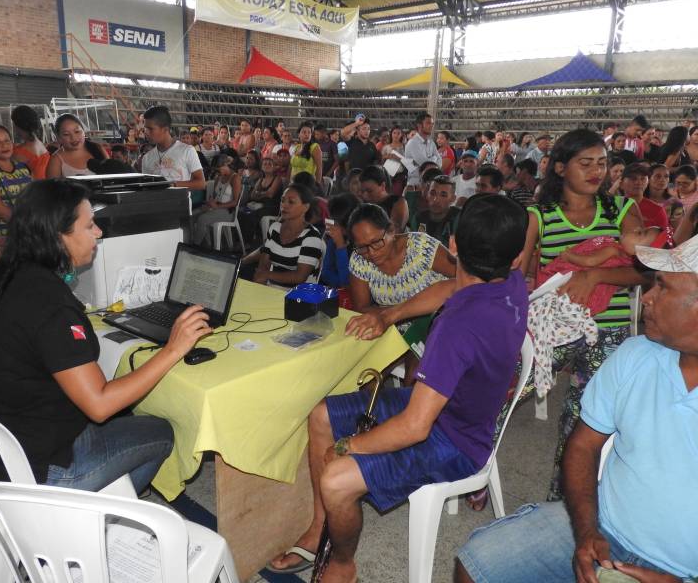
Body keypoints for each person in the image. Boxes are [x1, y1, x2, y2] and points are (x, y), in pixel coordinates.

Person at [268, 194, 529, 581]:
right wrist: (390, 314)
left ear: (453, 244)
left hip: (455, 441)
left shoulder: (457, 326)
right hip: (450, 411)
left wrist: (348, 447)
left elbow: (415, 428)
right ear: (515, 255)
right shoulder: (511, 282)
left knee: (336, 478)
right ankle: (318, 527)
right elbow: (450, 288)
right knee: (321, 413)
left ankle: (342, 564)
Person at [0, 179, 210, 493]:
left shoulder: (6, 273)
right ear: (57, 236)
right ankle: (91, 519)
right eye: (89, 226)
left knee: (125, 411)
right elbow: (99, 405)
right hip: (40, 469)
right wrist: (173, 348)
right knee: (161, 432)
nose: (99, 233)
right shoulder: (51, 305)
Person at [455, 236, 698, 583]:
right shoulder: (636, 355)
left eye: (664, 287)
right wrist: (586, 532)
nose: (647, 297)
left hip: (683, 572)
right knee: (476, 564)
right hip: (604, 527)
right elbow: (583, 445)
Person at [519, 129, 645, 500]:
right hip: (552, 326)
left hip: (606, 328)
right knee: (497, 388)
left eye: (602, 164)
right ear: (560, 167)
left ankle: (565, 497)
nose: (596, 172)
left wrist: (594, 275)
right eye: (585, 163)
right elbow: (522, 276)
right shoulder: (538, 215)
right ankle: (472, 461)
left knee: (585, 415)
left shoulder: (622, 210)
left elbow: (644, 271)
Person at [538, 226, 664, 316]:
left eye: (640, 234)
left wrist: (569, 256)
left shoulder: (613, 249)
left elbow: (590, 261)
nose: (635, 229)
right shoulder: (626, 263)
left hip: (572, 279)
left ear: (641, 253)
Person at [249, 184, 324, 286]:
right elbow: (264, 264)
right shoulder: (275, 228)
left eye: (291, 202)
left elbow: (300, 277)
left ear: (305, 207)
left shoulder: (312, 237)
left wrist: (267, 275)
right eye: (282, 200)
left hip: (298, 296)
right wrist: (258, 283)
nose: (284, 205)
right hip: (271, 287)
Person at [140, 106, 205, 192]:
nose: (146, 132)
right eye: (145, 128)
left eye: (150, 129)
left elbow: (201, 183)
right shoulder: (146, 158)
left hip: (180, 204)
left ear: (165, 129)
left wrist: (171, 185)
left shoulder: (187, 151)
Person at [191, 154, 242, 247]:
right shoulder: (218, 177)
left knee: (202, 219)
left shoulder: (235, 178)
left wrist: (217, 206)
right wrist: (209, 204)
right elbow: (215, 197)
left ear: (226, 165)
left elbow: (235, 202)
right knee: (192, 216)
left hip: (228, 212)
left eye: (219, 168)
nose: (218, 171)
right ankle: (207, 244)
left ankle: (195, 246)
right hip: (216, 208)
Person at [45, 114, 107, 178]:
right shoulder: (56, 160)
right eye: (66, 134)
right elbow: (51, 187)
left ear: (83, 131)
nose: (73, 138)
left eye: (77, 131)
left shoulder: (98, 148)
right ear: (58, 138)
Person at [320, 192, 361, 289]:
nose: (331, 224)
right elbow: (325, 273)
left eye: (334, 221)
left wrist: (340, 246)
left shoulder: (363, 246)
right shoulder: (333, 239)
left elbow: (347, 283)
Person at [619, 163, 669, 232]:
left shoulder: (657, 211)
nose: (638, 182)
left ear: (648, 182)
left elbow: (663, 239)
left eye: (643, 178)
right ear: (621, 184)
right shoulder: (612, 207)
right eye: (633, 178)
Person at [359, 165, 409, 232]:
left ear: (383, 186)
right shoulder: (363, 206)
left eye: (369, 191)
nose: (364, 195)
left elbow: (395, 230)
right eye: (362, 191)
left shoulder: (398, 202)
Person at [416, 175, 460, 248]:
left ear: (453, 199)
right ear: (427, 194)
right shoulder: (419, 218)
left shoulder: (459, 219)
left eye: (443, 195)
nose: (436, 200)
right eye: (432, 193)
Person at [11, 105, 50, 180]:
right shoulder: (41, 145)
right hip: (45, 187)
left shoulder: (17, 151)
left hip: (30, 189)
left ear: (17, 125)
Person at [403, 113, 441, 187]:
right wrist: (434, 158)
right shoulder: (412, 143)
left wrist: (432, 160)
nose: (431, 126)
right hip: (415, 184)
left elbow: (440, 160)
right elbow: (425, 164)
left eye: (432, 124)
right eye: (428, 123)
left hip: (429, 183)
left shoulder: (431, 142)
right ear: (419, 125)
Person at [289, 122, 323, 187]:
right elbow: (291, 167)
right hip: (293, 184)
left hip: (307, 185)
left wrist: (317, 186)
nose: (307, 134)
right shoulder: (296, 147)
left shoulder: (314, 147)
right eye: (304, 132)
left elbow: (319, 168)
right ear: (299, 134)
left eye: (309, 132)